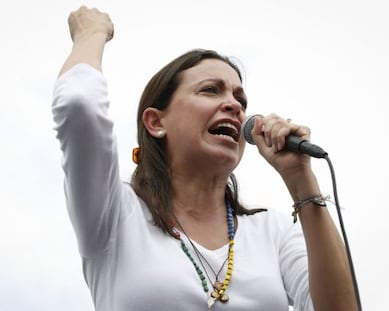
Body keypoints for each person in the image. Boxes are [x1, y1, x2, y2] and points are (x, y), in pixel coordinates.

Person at [52, 6, 358, 311]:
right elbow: (81, 105)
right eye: (211, 90)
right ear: (156, 123)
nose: (234, 106)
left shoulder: (271, 232)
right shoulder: (115, 214)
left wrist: (301, 180)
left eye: (240, 100)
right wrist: (91, 32)